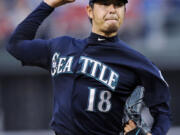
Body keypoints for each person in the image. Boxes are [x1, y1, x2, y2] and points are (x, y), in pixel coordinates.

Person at [6, 0, 171, 135]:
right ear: (90, 11)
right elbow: (16, 45)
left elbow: (162, 111)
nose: (112, 9)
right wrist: (48, 5)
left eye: (118, 5)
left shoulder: (136, 61)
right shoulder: (62, 46)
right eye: (105, 4)